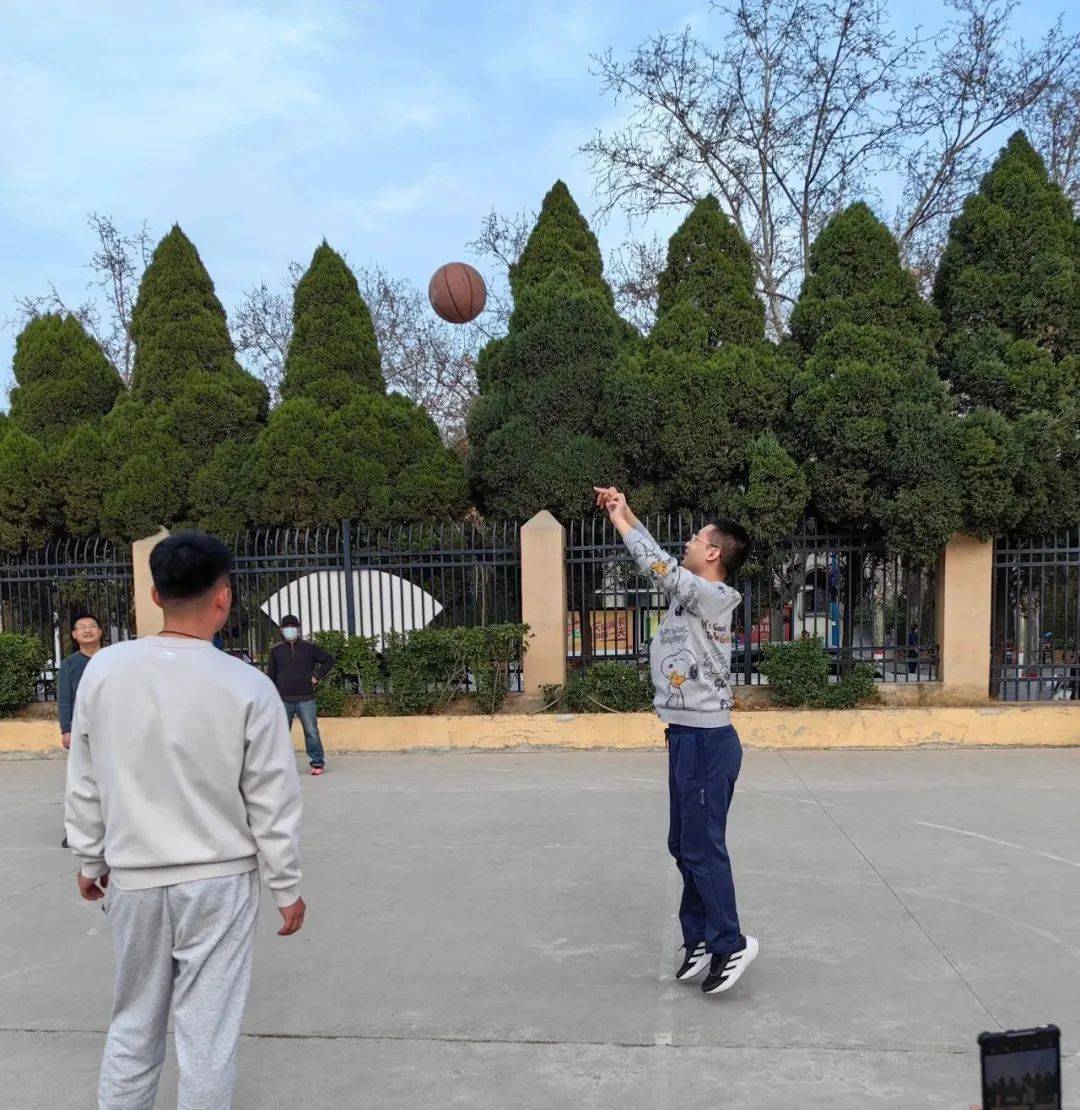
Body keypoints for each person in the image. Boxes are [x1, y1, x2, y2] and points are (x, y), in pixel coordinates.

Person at [64, 530, 305, 1110]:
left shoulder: (106, 670)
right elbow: (271, 799)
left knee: (133, 1022)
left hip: (134, 878)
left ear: (155, 595)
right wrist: (286, 885)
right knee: (208, 1034)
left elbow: (85, 776)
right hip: (219, 881)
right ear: (224, 596)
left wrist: (89, 858)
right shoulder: (247, 685)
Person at [595, 485, 757, 996]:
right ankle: (700, 938)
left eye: (696, 538)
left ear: (713, 553)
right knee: (683, 845)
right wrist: (626, 512)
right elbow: (665, 565)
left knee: (703, 848)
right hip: (685, 737)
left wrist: (623, 524)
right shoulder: (693, 594)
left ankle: (730, 942)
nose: (687, 542)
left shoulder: (713, 596)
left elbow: (660, 567)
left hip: (708, 741)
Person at [267, 614, 334, 776]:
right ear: (281, 630)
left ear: (298, 629)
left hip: (306, 697)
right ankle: (280, 765)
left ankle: (317, 762)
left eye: (293, 627)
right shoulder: (275, 650)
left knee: (311, 731)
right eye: (286, 627)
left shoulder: (309, 647)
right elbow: (271, 675)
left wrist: (317, 676)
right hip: (283, 698)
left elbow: (329, 660)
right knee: (281, 734)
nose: (290, 629)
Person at [58, 613, 103, 847]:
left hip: (111, 729)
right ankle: (75, 830)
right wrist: (66, 729)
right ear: (74, 635)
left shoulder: (111, 659)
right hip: (82, 730)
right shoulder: (69, 665)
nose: (87, 630)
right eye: (82, 627)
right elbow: (65, 699)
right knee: (81, 783)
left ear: (100, 632)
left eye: (92, 626)